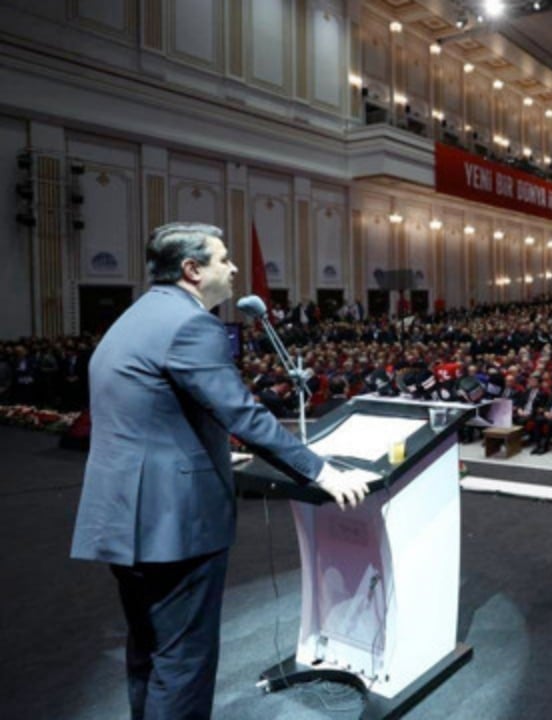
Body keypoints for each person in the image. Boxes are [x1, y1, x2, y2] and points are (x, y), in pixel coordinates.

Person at [69, 223, 371, 720]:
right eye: (223, 259)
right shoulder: (191, 325)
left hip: (125, 514)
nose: (233, 269)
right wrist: (322, 473)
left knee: (149, 651)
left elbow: (145, 409)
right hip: (173, 521)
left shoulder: (136, 317)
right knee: (184, 662)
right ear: (192, 270)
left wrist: (199, 447)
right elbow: (244, 416)